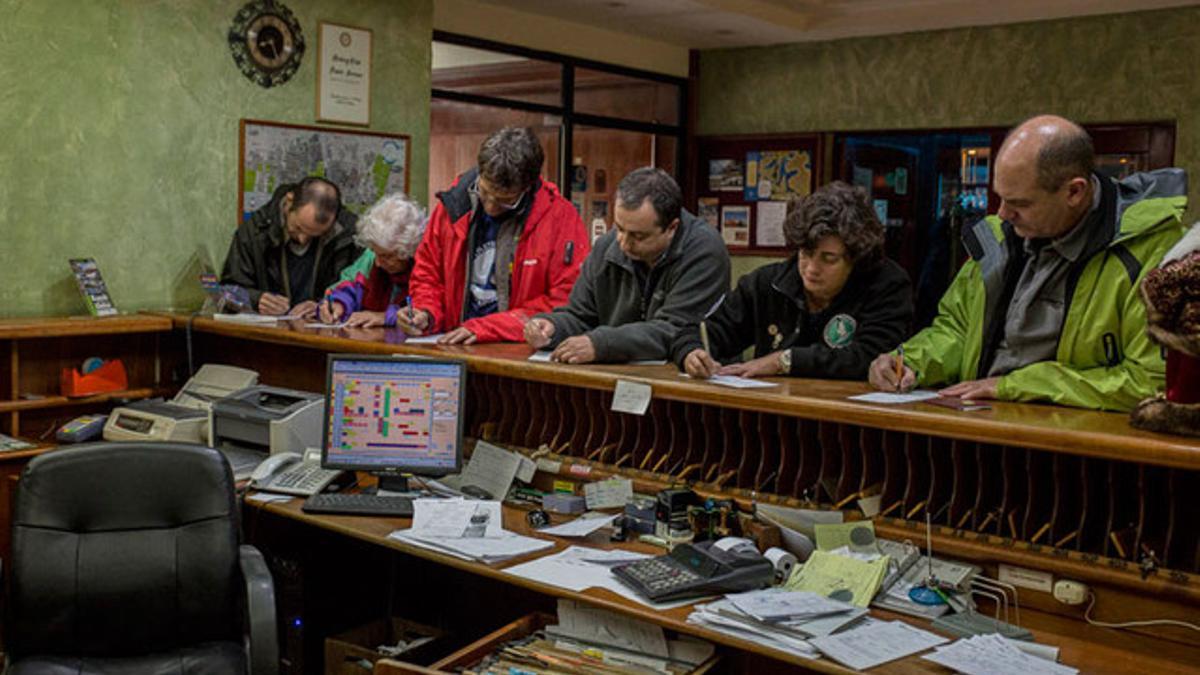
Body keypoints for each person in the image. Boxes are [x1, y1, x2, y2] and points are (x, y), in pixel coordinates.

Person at [868, 115, 1187, 411]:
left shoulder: (1156, 255)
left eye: (1020, 203)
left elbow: (1152, 381)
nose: (1003, 214)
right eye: (1001, 197)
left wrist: (1017, 385)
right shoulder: (998, 238)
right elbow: (956, 330)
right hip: (980, 434)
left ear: (1074, 192)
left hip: (1080, 452)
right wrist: (909, 361)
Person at [672, 181, 911, 379]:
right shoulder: (767, 282)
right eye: (806, 253)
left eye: (828, 259)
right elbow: (702, 329)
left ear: (856, 259)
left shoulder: (887, 284)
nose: (811, 268)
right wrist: (692, 352)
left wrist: (784, 360)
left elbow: (869, 356)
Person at [525, 167, 730, 364]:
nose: (623, 242)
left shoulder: (704, 250)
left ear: (671, 228)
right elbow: (580, 315)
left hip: (689, 381)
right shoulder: (607, 246)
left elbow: (676, 330)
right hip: (619, 377)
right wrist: (552, 326)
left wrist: (602, 344)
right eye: (619, 228)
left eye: (638, 236)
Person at [404, 127, 589, 344]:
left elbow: (566, 300)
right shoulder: (453, 206)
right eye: (484, 192)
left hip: (516, 353)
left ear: (527, 187)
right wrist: (426, 312)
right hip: (454, 345)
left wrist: (490, 327)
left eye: (505, 200)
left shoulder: (560, 218)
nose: (491, 206)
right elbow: (427, 274)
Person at [220, 177, 360, 317]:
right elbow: (227, 292)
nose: (302, 239)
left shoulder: (348, 237)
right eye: (298, 228)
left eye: (315, 235)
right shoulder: (254, 232)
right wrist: (255, 300)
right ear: (288, 202)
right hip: (267, 332)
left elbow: (358, 292)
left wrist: (324, 305)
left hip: (323, 333)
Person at [318, 193, 426, 328]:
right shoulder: (371, 258)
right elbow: (348, 286)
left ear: (409, 251)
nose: (378, 263)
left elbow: (428, 311)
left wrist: (386, 317)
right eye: (375, 252)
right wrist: (338, 304)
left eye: (387, 256)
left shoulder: (425, 265)